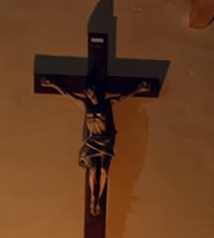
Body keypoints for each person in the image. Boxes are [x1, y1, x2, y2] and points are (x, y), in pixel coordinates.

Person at [41, 75, 149, 215]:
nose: (90, 95)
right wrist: (53, 85)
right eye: (88, 93)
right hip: (92, 140)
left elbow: (124, 96)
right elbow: (67, 94)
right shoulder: (85, 104)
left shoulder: (107, 104)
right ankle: (93, 197)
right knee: (92, 170)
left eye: (92, 92)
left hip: (105, 140)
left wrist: (139, 89)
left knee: (104, 170)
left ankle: (99, 199)